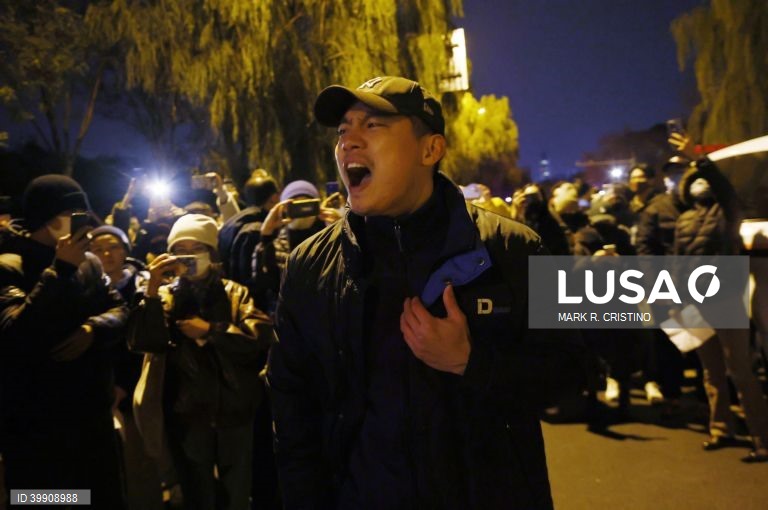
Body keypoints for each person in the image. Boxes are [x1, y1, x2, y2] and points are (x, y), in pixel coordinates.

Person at [267, 76, 587, 509]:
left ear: (430, 150)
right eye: (343, 130)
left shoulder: (515, 248)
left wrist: (471, 362)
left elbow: (574, 372)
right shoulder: (308, 265)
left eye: (373, 126)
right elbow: (291, 409)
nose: (348, 143)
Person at [127, 213, 275, 509]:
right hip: (189, 414)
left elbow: (259, 338)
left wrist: (211, 331)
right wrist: (152, 290)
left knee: (238, 491)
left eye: (197, 248)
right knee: (198, 491)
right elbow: (144, 342)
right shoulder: (165, 297)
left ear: (212, 253)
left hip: (235, 411)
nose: (190, 256)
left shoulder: (235, 293)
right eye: (181, 250)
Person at [0, 175, 128, 508]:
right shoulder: (8, 264)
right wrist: (60, 271)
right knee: (45, 500)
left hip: (91, 418)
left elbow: (119, 309)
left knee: (101, 497)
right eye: (73, 215)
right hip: (37, 426)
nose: (83, 225)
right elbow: (14, 333)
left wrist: (93, 329)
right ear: (48, 218)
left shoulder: (90, 262)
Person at [671, 133, 768, 463]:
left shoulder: (728, 213)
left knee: (740, 370)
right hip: (694, 302)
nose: (698, 185)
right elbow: (678, 262)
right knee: (710, 371)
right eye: (694, 181)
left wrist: (699, 161)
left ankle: (762, 438)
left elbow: (727, 191)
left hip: (725, 299)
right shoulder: (684, 219)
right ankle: (720, 429)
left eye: (702, 181)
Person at [251, 179, 339, 315]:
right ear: (285, 209)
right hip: (289, 318)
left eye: (307, 204)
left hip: (328, 315)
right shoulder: (276, 244)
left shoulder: (329, 240)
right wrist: (266, 235)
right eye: (296, 206)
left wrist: (342, 231)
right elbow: (261, 283)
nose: (302, 212)